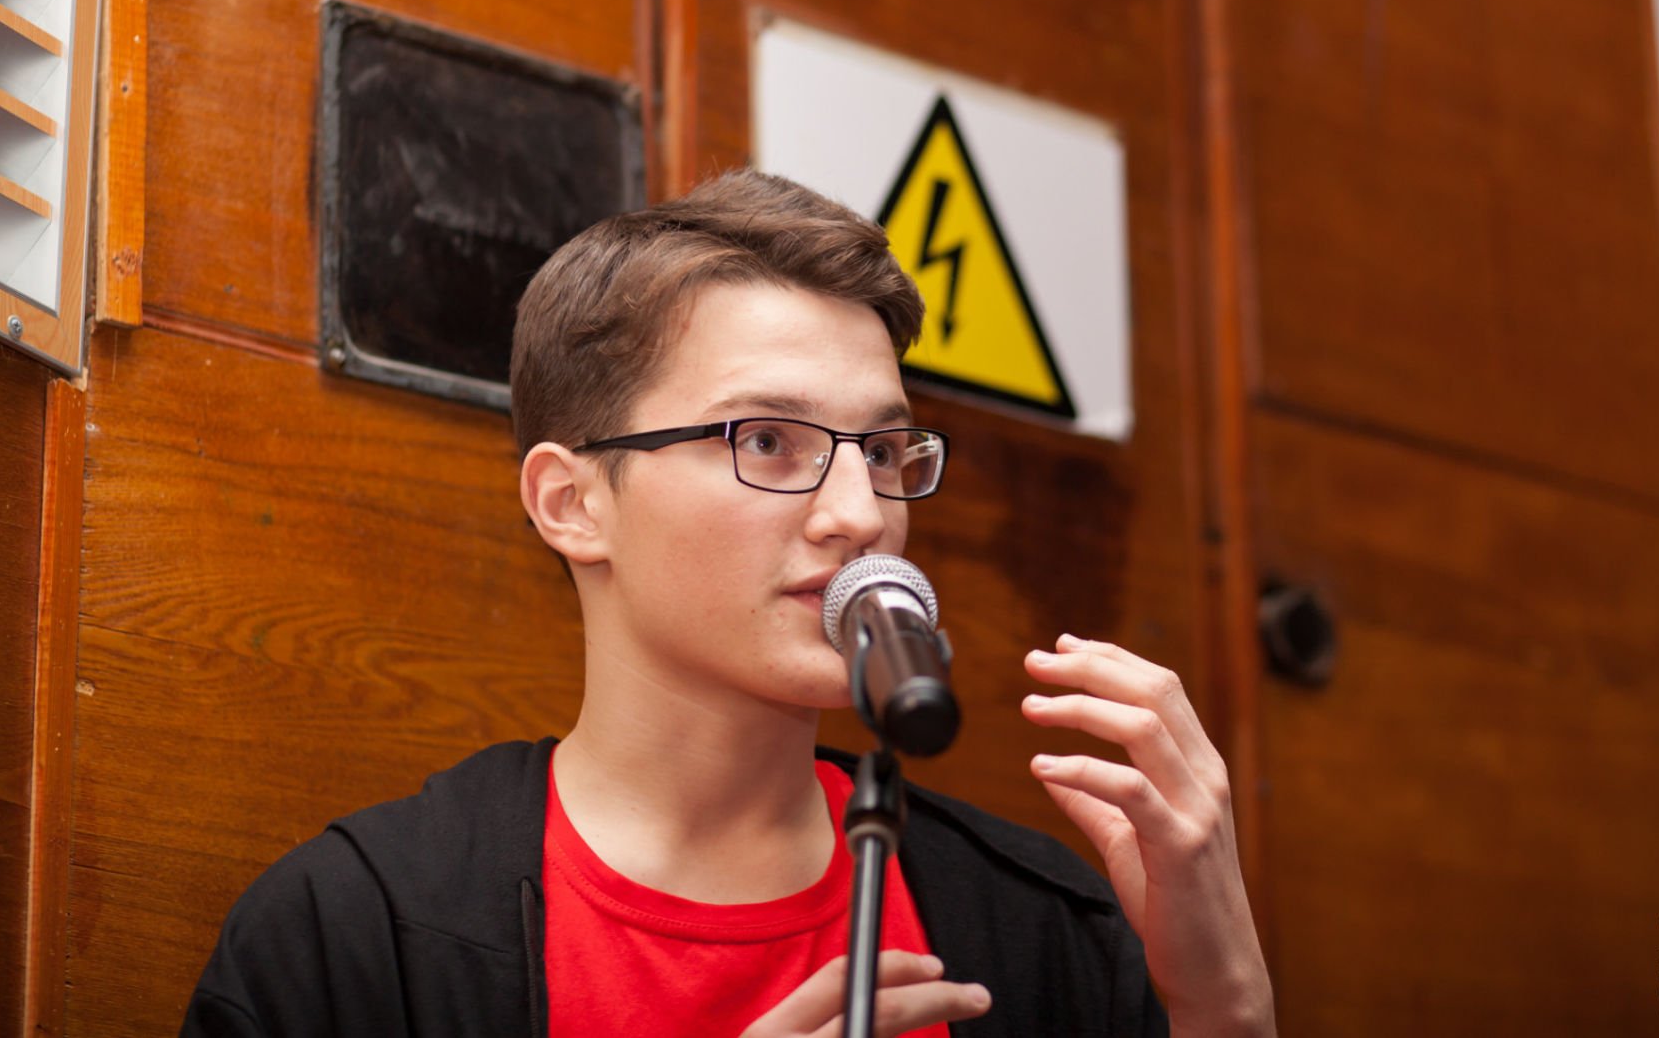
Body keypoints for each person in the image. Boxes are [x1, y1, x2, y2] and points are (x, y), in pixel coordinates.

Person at [183, 170, 1274, 1037]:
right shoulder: (350, 933)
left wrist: (1220, 1007)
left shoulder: (1041, 928)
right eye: (767, 440)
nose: (860, 513)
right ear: (572, 503)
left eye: (883, 450)